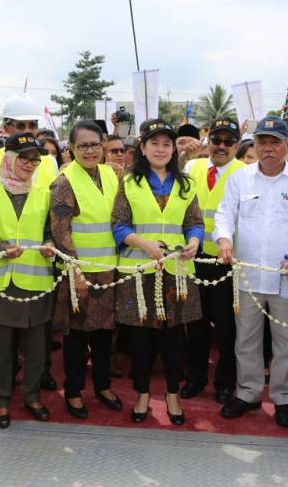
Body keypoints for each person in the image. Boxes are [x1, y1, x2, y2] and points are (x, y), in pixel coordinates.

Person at [214, 116, 288, 427]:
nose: (268, 148)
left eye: (275, 142)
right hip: (247, 274)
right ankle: (247, 393)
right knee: (246, 338)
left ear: (287, 145)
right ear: (254, 144)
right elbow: (224, 213)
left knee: (286, 340)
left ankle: (284, 398)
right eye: (262, 141)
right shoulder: (239, 178)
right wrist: (222, 239)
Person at [112, 118, 203, 426]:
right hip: (140, 271)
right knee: (141, 338)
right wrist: (144, 244)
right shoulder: (128, 181)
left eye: (167, 144)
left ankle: (173, 395)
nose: (161, 149)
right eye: (155, 143)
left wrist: (193, 242)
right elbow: (119, 225)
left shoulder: (186, 184)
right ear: (143, 147)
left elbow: (195, 223)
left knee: (176, 337)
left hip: (177, 271)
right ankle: (142, 393)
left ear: (174, 149)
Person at [0, 132, 56, 428]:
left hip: (37, 282)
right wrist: (1, 250)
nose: (30, 164)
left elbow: (50, 232)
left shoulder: (45, 195)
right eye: (24, 158)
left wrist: (49, 245)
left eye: (35, 159)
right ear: (8, 158)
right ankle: (1, 401)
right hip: (2, 283)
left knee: (37, 348)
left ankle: (32, 396)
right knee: (1, 348)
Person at [50, 120, 122, 420]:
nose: (90, 150)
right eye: (83, 146)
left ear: (103, 143)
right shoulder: (64, 182)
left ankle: (103, 385)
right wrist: (75, 271)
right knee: (78, 337)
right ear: (71, 149)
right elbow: (60, 231)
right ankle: (74, 390)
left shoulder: (114, 173)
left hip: (111, 270)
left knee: (106, 334)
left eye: (94, 144)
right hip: (78, 272)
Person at [181, 118, 245, 404]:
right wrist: (183, 155)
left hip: (227, 262)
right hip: (194, 259)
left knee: (226, 327)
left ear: (237, 145)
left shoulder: (245, 173)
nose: (221, 146)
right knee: (195, 323)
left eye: (228, 141)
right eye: (216, 140)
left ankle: (225, 382)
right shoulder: (193, 166)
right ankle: (194, 378)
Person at [0, 94, 58, 190]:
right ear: (6, 128)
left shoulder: (50, 162)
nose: (27, 131)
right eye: (21, 126)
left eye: (32, 125)